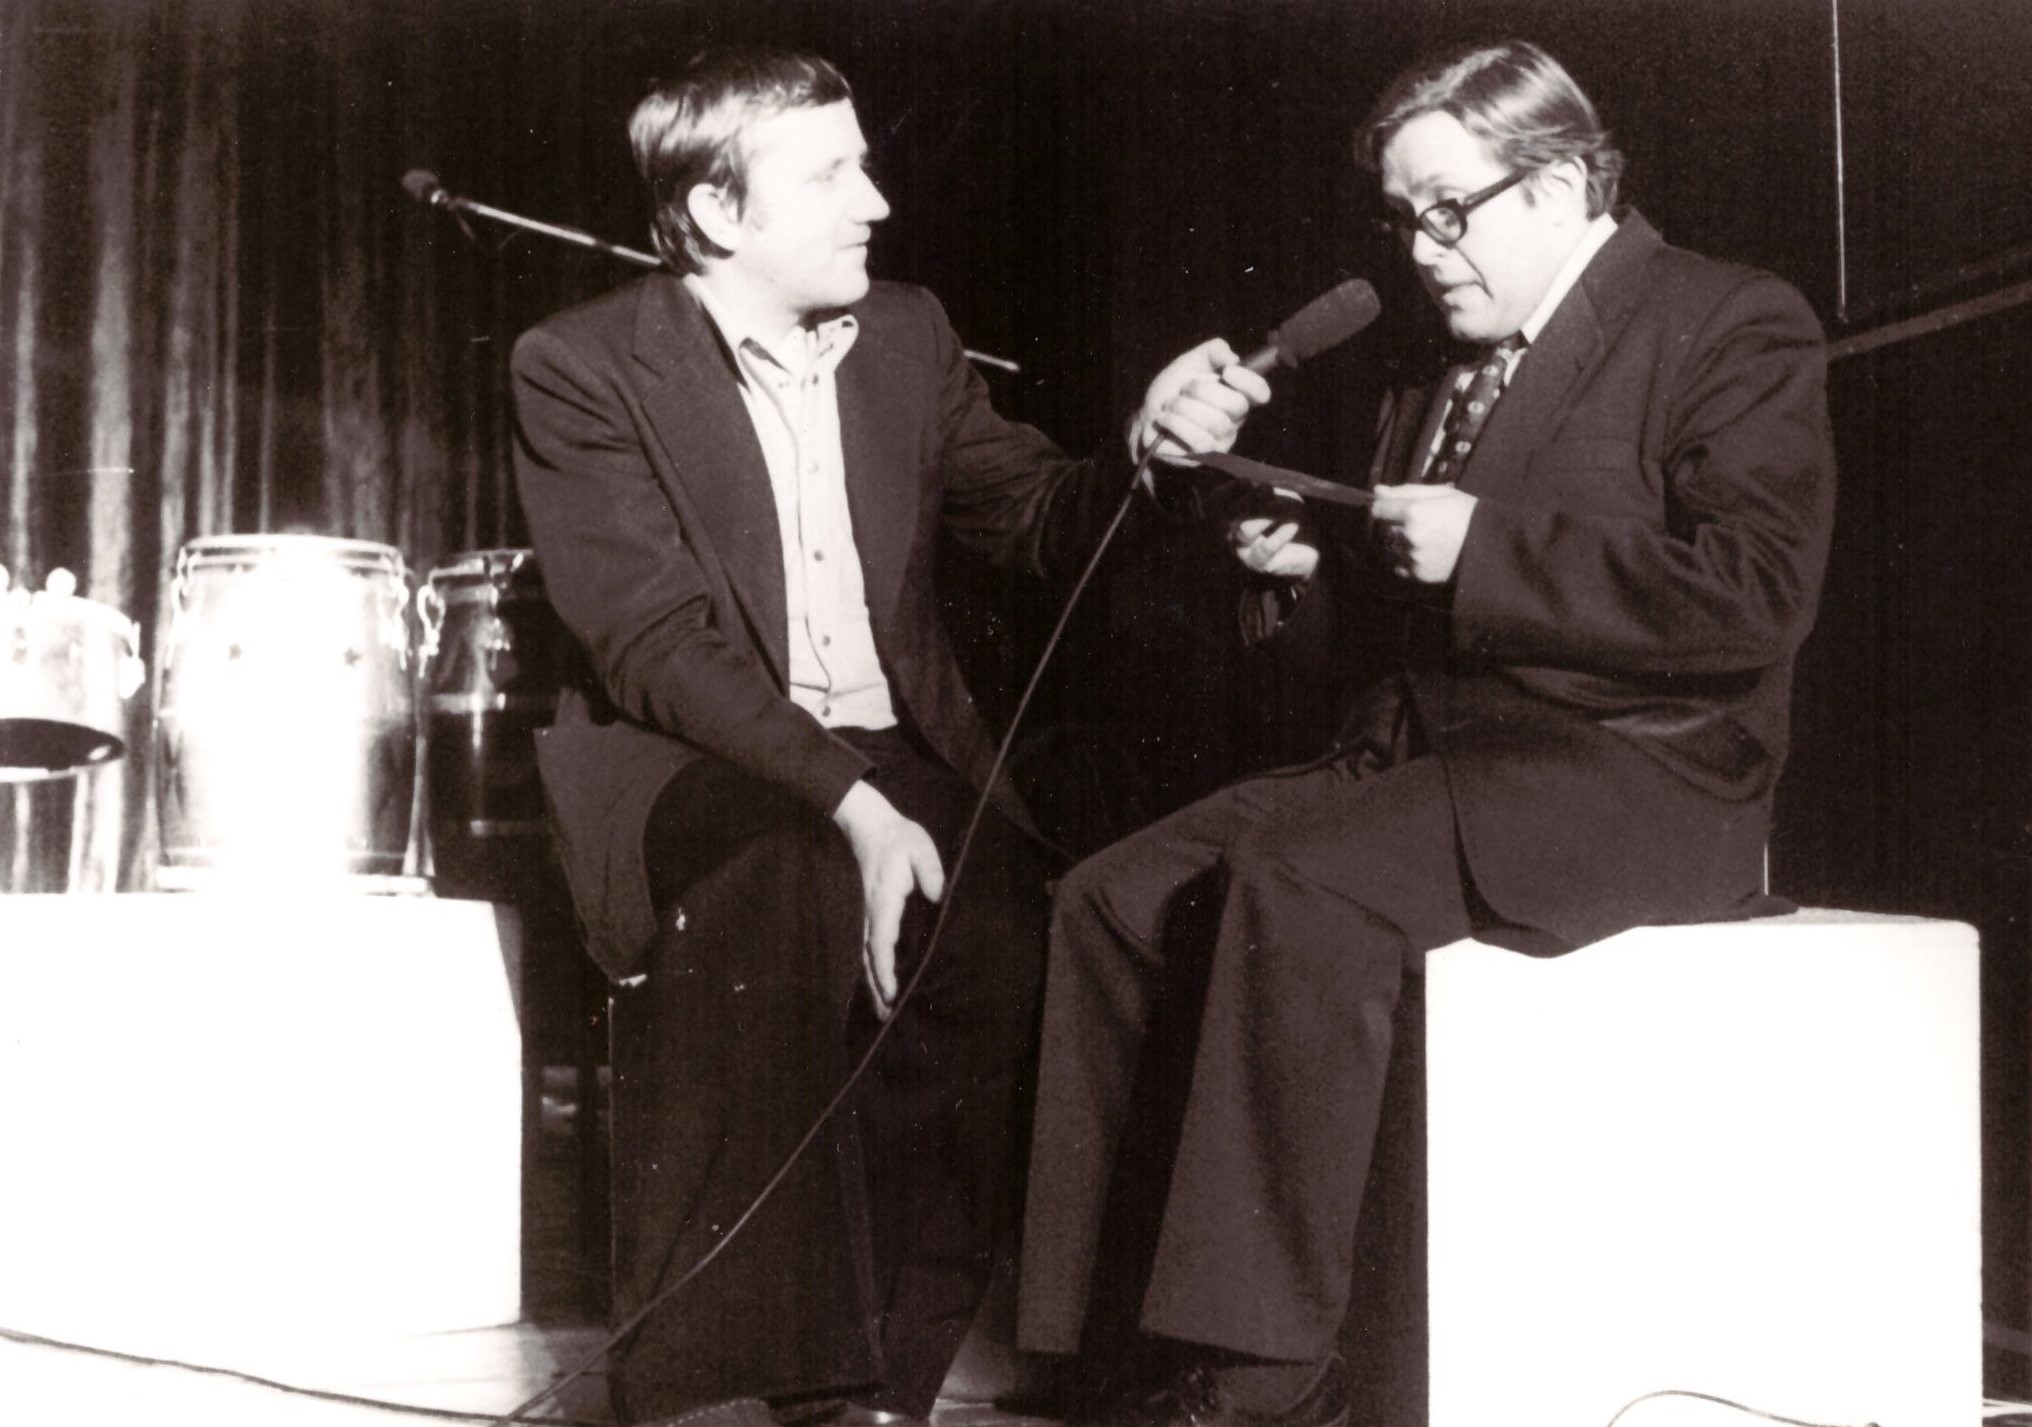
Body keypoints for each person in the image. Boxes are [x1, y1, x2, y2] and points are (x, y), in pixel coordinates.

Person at [1014, 38, 1836, 1427]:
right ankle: (1105, 1362)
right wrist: (1304, 581)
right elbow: (1412, 626)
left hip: (1636, 771)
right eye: (1401, 220)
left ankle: (1264, 1379)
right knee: (1113, 898)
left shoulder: (1727, 319)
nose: (1419, 251)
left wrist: (1487, 550)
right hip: (1432, 755)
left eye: (1447, 211)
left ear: (1559, 184)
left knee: (1301, 884)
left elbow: (1757, 595)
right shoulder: (1434, 365)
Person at [509, 45, 1265, 1427]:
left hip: (890, 748)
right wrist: (855, 808)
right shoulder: (583, 365)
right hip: (687, 761)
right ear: (719, 211)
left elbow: (1037, 515)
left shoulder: (908, 336)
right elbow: (656, 648)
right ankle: (723, 1390)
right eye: (832, 175)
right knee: (789, 877)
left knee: (1003, 929)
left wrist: (1151, 460)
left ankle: (883, 1392)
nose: (877, 202)